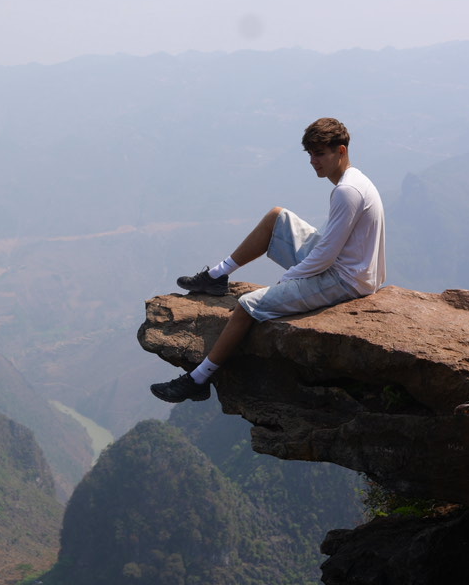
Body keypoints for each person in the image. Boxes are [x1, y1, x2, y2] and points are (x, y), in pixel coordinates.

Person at [150, 117, 386, 403]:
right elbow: (330, 246)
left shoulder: (347, 191)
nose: (313, 161)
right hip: (348, 268)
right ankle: (217, 276)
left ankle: (198, 379)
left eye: (320, 153)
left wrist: (289, 279)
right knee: (277, 216)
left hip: (345, 280)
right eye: (310, 154)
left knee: (247, 305)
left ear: (341, 150)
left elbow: (325, 256)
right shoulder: (354, 180)